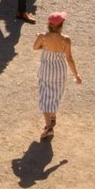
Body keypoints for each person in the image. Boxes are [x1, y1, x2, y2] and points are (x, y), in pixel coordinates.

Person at [33, 12, 82, 140]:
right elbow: (69, 58)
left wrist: (41, 41)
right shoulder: (66, 40)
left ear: (48, 24)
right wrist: (76, 74)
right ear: (61, 25)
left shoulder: (43, 36)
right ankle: (53, 118)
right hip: (59, 71)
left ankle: (49, 127)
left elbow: (35, 47)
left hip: (46, 70)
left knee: (44, 97)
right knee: (55, 96)